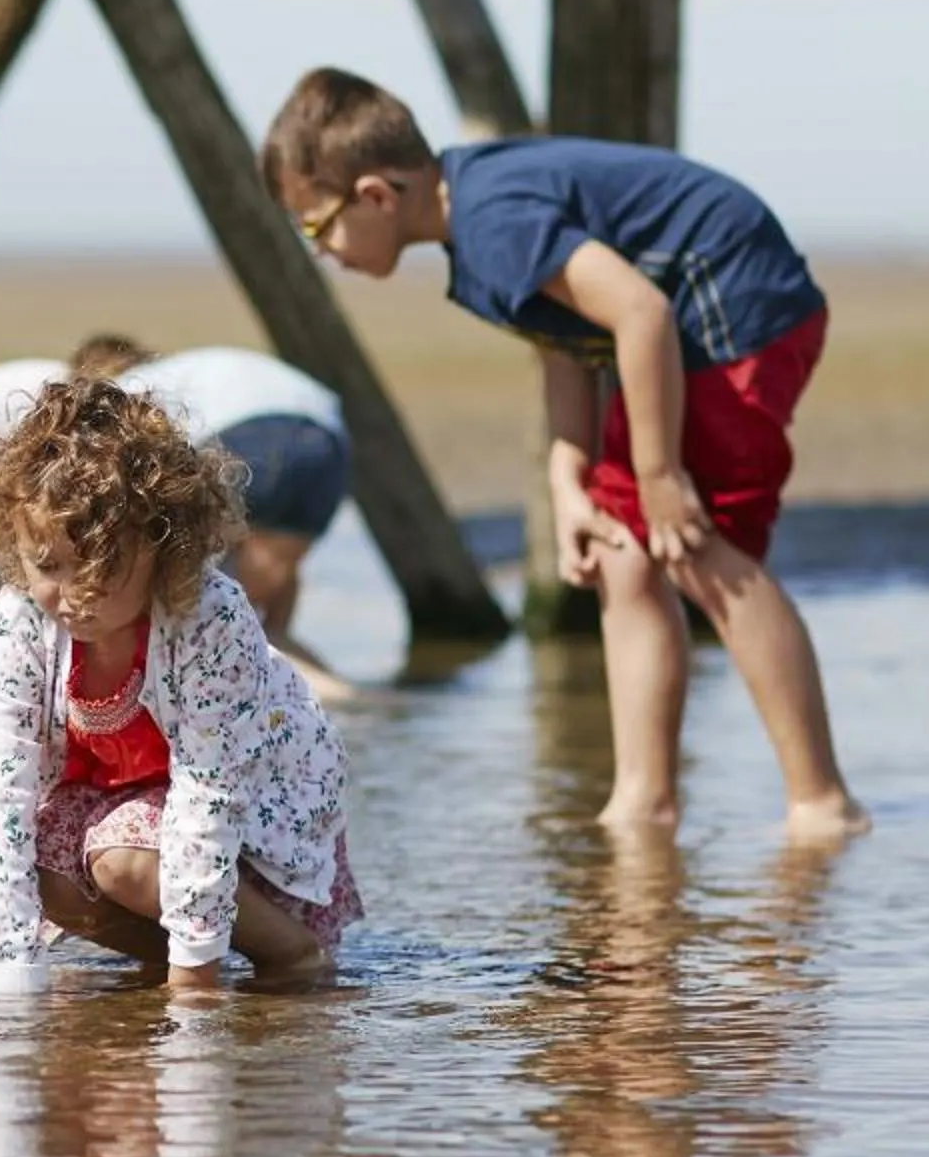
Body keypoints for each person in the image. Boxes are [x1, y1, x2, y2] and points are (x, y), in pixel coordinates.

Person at [261, 65, 871, 841]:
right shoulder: (468, 218)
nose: (321, 252)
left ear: (376, 195)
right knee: (622, 552)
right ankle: (644, 801)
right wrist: (568, 476)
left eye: (315, 228)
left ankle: (821, 800)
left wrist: (659, 475)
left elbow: (641, 313)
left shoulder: (491, 220)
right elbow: (564, 340)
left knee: (697, 544)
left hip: (734, 309)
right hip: (687, 326)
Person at [0, 378, 360, 996]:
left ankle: (291, 954)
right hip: (123, 803)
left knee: (124, 862)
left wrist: (194, 993)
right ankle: (172, 959)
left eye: (102, 565)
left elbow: (208, 799)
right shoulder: (20, 618)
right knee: (34, 861)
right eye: (48, 564)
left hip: (249, 809)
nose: (74, 594)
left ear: (162, 544)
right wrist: (12, 988)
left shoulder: (208, 618)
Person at [0, 339, 357, 703]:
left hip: (249, 433)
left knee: (202, 614)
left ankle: (310, 691)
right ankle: (343, 696)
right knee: (262, 594)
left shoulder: (98, 411)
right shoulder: (173, 376)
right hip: (327, 429)